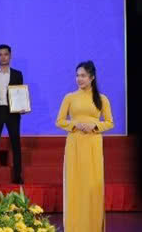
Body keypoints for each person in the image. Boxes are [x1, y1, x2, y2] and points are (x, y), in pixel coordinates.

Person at [56, 61, 113, 232]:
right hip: (74, 143)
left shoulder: (102, 99)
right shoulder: (69, 97)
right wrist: (75, 124)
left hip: (93, 143)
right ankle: (74, 226)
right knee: (75, 185)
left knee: (91, 184)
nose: (79, 79)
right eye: (77, 75)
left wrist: (95, 126)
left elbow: (110, 122)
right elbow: (59, 121)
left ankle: (93, 226)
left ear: (92, 77)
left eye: (83, 76)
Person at [0, 44, 25, 184]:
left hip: (12, 112)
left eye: (5, 54)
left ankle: (18, 176)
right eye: (0, 54)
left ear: (10, 56)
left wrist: (22, 106)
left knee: (16, 144)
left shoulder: (17, 74)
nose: (3, 57)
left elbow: (20, 92)